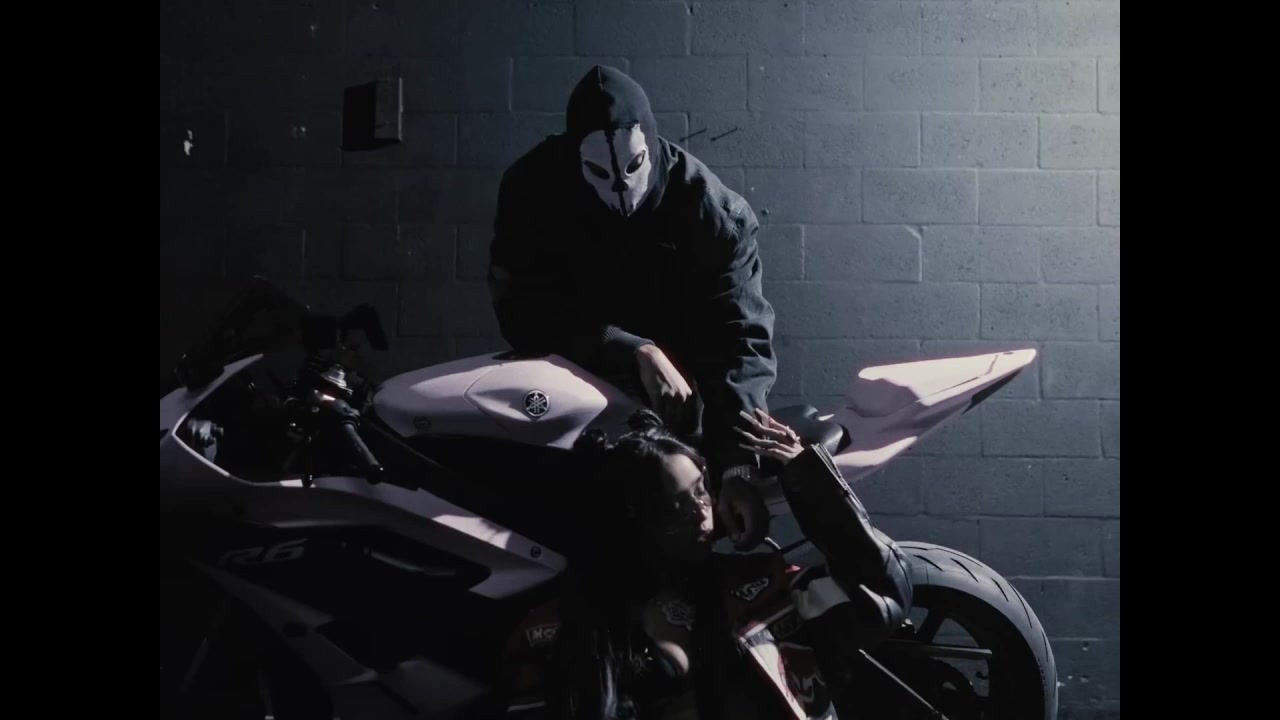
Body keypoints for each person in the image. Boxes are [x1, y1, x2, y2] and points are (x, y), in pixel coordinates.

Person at [487, 64, 777, 550]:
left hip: (677, 419)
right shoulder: (532, 188)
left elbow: (739, 340)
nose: (621, 188)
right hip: (573, 406)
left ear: (652, 148)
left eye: (633, 166)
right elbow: (520, 306)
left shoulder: (713, 214)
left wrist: (737, 466)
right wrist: (630, 348)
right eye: (600, 173)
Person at [497, 408, 914, 720]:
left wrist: (808, 475)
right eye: (675, 508)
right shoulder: (557, 630)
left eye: (700, 491)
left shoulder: (761, 589)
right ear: (633, 520)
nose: (701, 515)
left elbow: (884, 594)